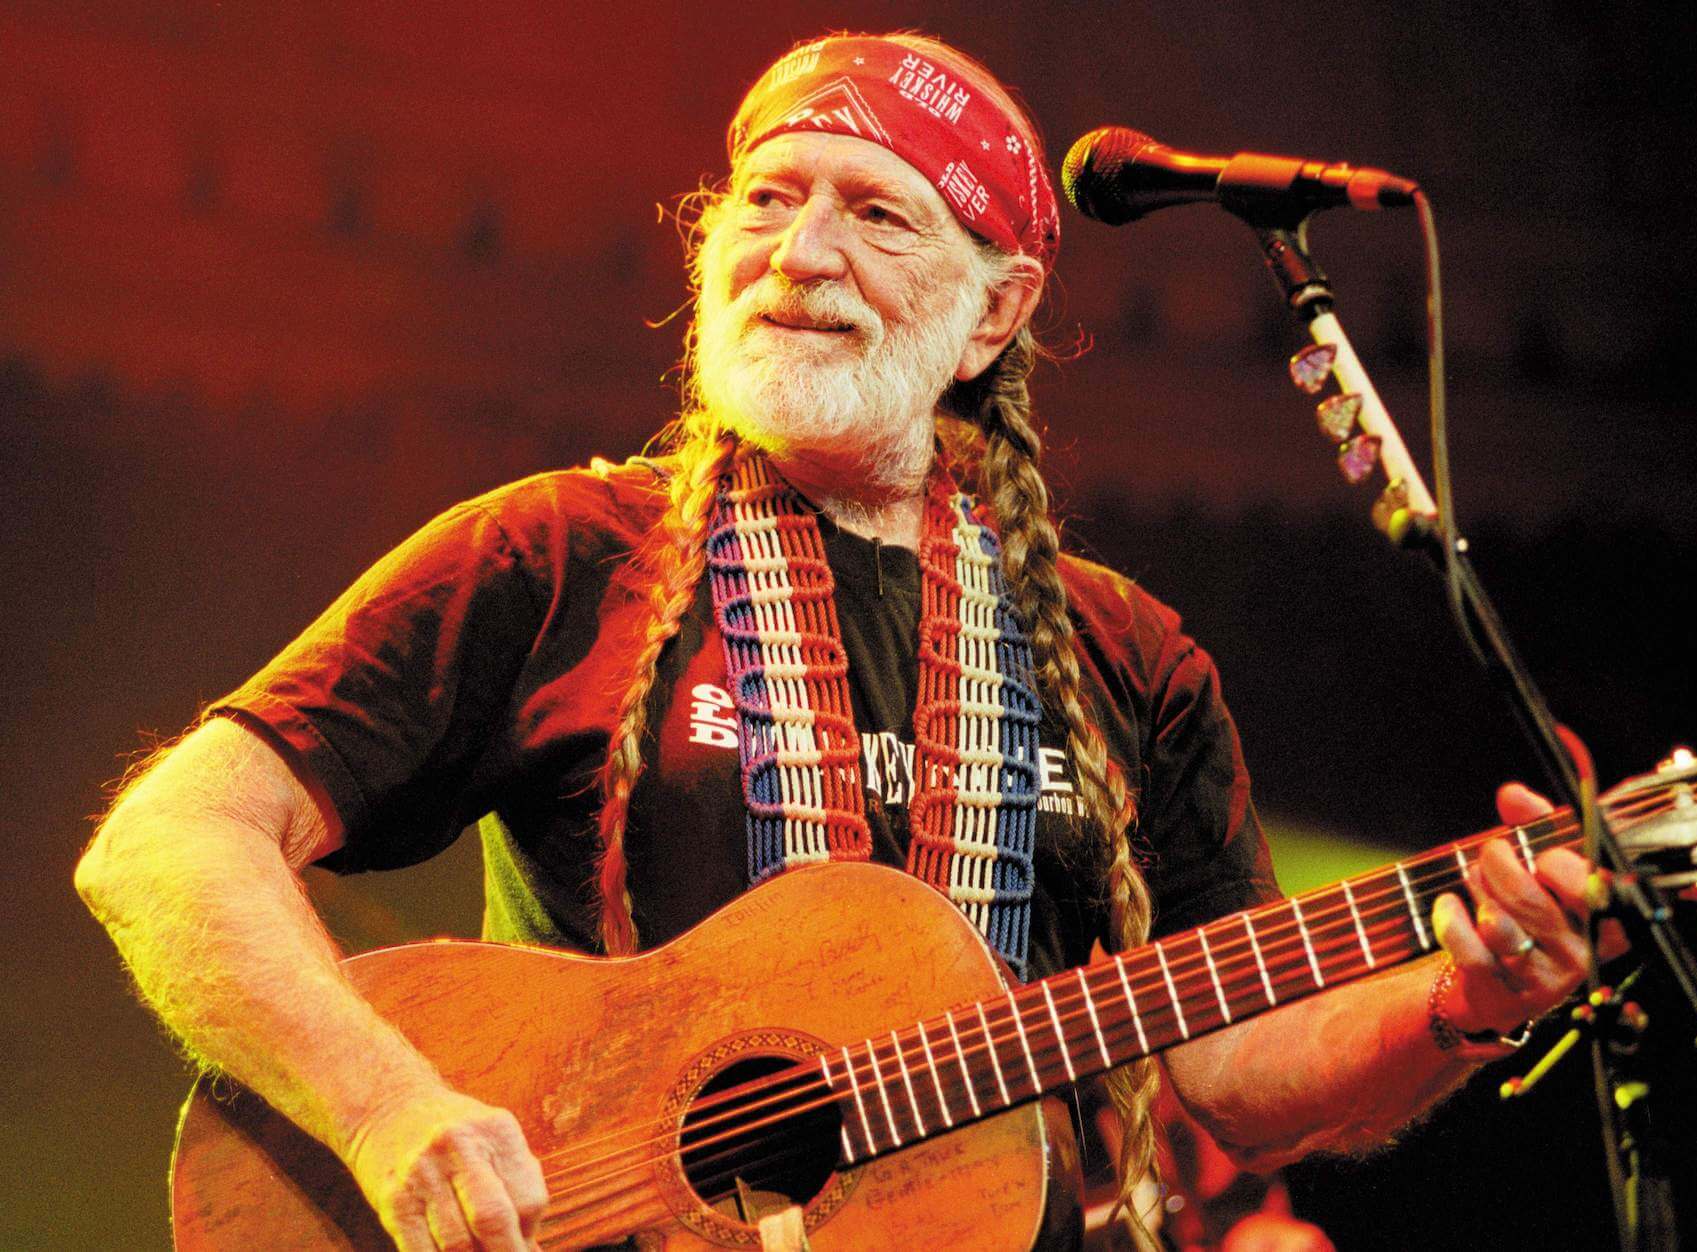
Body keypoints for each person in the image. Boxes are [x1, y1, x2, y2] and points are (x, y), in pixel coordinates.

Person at [76, 32, 1609, 1252]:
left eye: (876, 215)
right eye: (766, 195)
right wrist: (385, 1107)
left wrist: (1459, 1000)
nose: (798, 250)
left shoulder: (1124, 650)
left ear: (996, 314)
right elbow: (165, 846)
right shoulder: (559, 552)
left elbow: (1240, 1076)